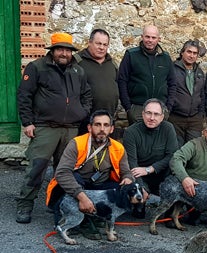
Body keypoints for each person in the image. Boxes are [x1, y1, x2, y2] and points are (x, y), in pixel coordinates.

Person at [16, 32, 92, 224]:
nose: (64, 53)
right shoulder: (37, 67)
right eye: (60, 49)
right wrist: (27, 122)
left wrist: (81, 113)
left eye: (67, 50)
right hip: (45, 127)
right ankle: (25, 205)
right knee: (37, 167)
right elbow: (24, 95)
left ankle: (57, 204)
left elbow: (87, 96)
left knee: (65, 170)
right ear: (53, 50)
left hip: (70, 129)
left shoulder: (78, 71)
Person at [45, 110, 134, 239]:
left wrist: (127, 179)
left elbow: (126, 172)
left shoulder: (118, 147)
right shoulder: (76, 143)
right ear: (89, 127)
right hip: (77, 187)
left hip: (99, 187)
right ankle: (82, 220)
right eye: (97, 125)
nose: (102, 129)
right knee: (74, 178)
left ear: (112, 129)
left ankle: (95, 215)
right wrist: (82, 198)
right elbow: (62, 173)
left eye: (106, 125)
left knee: (118, 186)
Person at [118, 25, 176, 125]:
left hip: (160, 109)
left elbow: (172, 83)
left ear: (159, 39)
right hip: (137, 108)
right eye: (147, 37)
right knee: (137, 139)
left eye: (153, 37)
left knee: (157, 139)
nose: (150, 40)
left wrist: (168, 108)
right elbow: (122, 81)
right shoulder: (131, 55)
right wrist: (128, 108)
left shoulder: (165, 58)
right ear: (142, 37)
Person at [122, 98, 179, 198]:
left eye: (156, 114)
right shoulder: (131, 132)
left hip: (163, 175)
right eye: (148, 113)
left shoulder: (168, 128)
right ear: (143, 114)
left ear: (162, 117)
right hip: (140, 177)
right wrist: (141, 187)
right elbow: (132, 163)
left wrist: (150, 169)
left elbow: (172, 155)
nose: (152, 118)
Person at [76, 29, 119, 135]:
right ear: (89, 42)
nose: (102, 47)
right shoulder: (77, 62)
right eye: (98, 43)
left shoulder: (112, 63)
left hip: (108, 121)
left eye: (105, 44)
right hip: (85, 122)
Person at [167, 40, 206, 146]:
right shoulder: (172, 69)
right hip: (176, 117)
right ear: (182, 52)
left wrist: (200, 115)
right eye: (189, 52)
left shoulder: (199, 72)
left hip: (194, 119)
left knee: (193, 150)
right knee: (176, 149)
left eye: (195, 53)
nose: (191, 55)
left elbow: (202, 94)